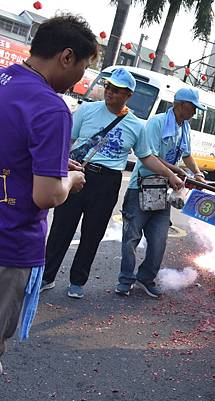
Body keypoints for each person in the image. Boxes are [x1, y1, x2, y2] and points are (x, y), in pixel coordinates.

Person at [0, 15, 97, 371]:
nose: (80, 79)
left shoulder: (4, 79)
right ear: (66, 56)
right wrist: (69, 181)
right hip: (8, 244)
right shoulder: (51, 107)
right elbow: (47, 195)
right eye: (83, 67)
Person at [41, 68, 183, 299]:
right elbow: (68, 141)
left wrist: (170, 175)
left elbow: (146, 156)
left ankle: (78, 281)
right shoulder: (86, 110)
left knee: (92, 233)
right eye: (108, 87)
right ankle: (47, 277)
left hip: (108, 183)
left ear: (128, 95)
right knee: (61, 228)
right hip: (79, 173)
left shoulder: (136, 125)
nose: (109, 93)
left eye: (116, 90)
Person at [115, 88, 206, 298]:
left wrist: (198, 173)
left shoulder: (184, 127)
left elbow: (187, 154)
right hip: (142, 185)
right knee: (131, 237)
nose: (195, 112)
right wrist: (175, 171)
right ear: (181, 104)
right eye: (193, 107)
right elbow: (150, 155)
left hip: (163, 189)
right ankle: (125, 279)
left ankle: (146, 278)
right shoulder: (157, 123)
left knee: (159, 239)